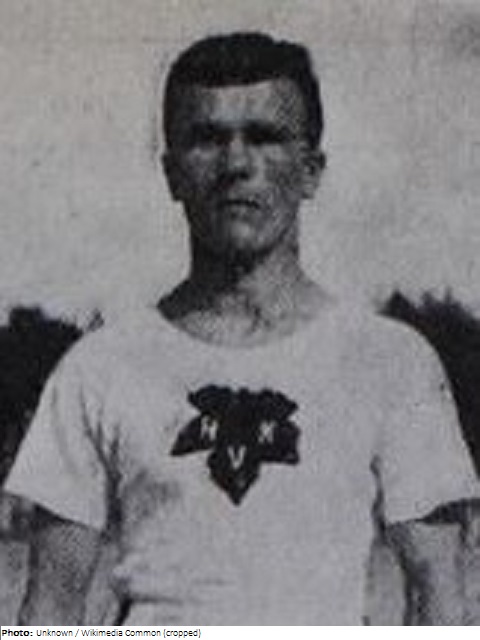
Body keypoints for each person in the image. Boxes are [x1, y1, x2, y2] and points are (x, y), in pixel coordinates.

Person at [6, 32, 480, 626]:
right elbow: (49, 611)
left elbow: (439, 600)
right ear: (171, 173)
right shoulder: (99, 369)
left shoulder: (391, 363)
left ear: (311, 170)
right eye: (207, 139)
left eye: (265, 136)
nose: (236, 164)